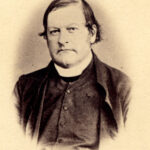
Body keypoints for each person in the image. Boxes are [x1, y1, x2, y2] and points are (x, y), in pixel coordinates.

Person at [15, 0, 131, 149]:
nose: (62, 40)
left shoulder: (122, 87)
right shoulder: (24, 87)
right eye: (54, 31)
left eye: (72, 29)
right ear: (47, 38)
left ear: (92, 34)